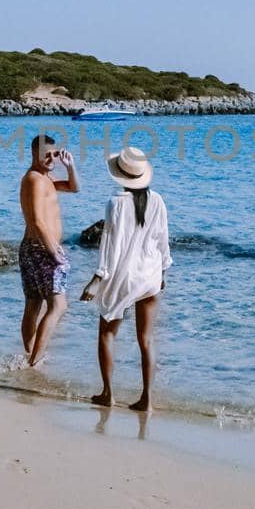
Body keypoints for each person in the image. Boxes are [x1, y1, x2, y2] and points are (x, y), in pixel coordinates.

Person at [80, 145, 171, 411]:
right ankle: (148, 400)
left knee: (107, 333)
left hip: (123, 276)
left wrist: (97, 279)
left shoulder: (115, 203)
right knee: (147, 340)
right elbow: (162, 241)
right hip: (150, 275)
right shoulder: (158, 201)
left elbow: (109, 246)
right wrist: (163, 272)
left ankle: (108, 394)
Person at [19, 133, 80, 366]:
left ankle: (29, 355)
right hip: (41, 248)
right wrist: (54, 251)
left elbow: (74, 188)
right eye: (46, 155)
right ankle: (35, 360)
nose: (51, 158)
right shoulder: (34, 179)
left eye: (54, 154)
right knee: (58, 305)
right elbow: (36, 221)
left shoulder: (46, 178)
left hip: (35, 248)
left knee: (34, 303)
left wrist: (70, 166)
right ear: (34, 154)